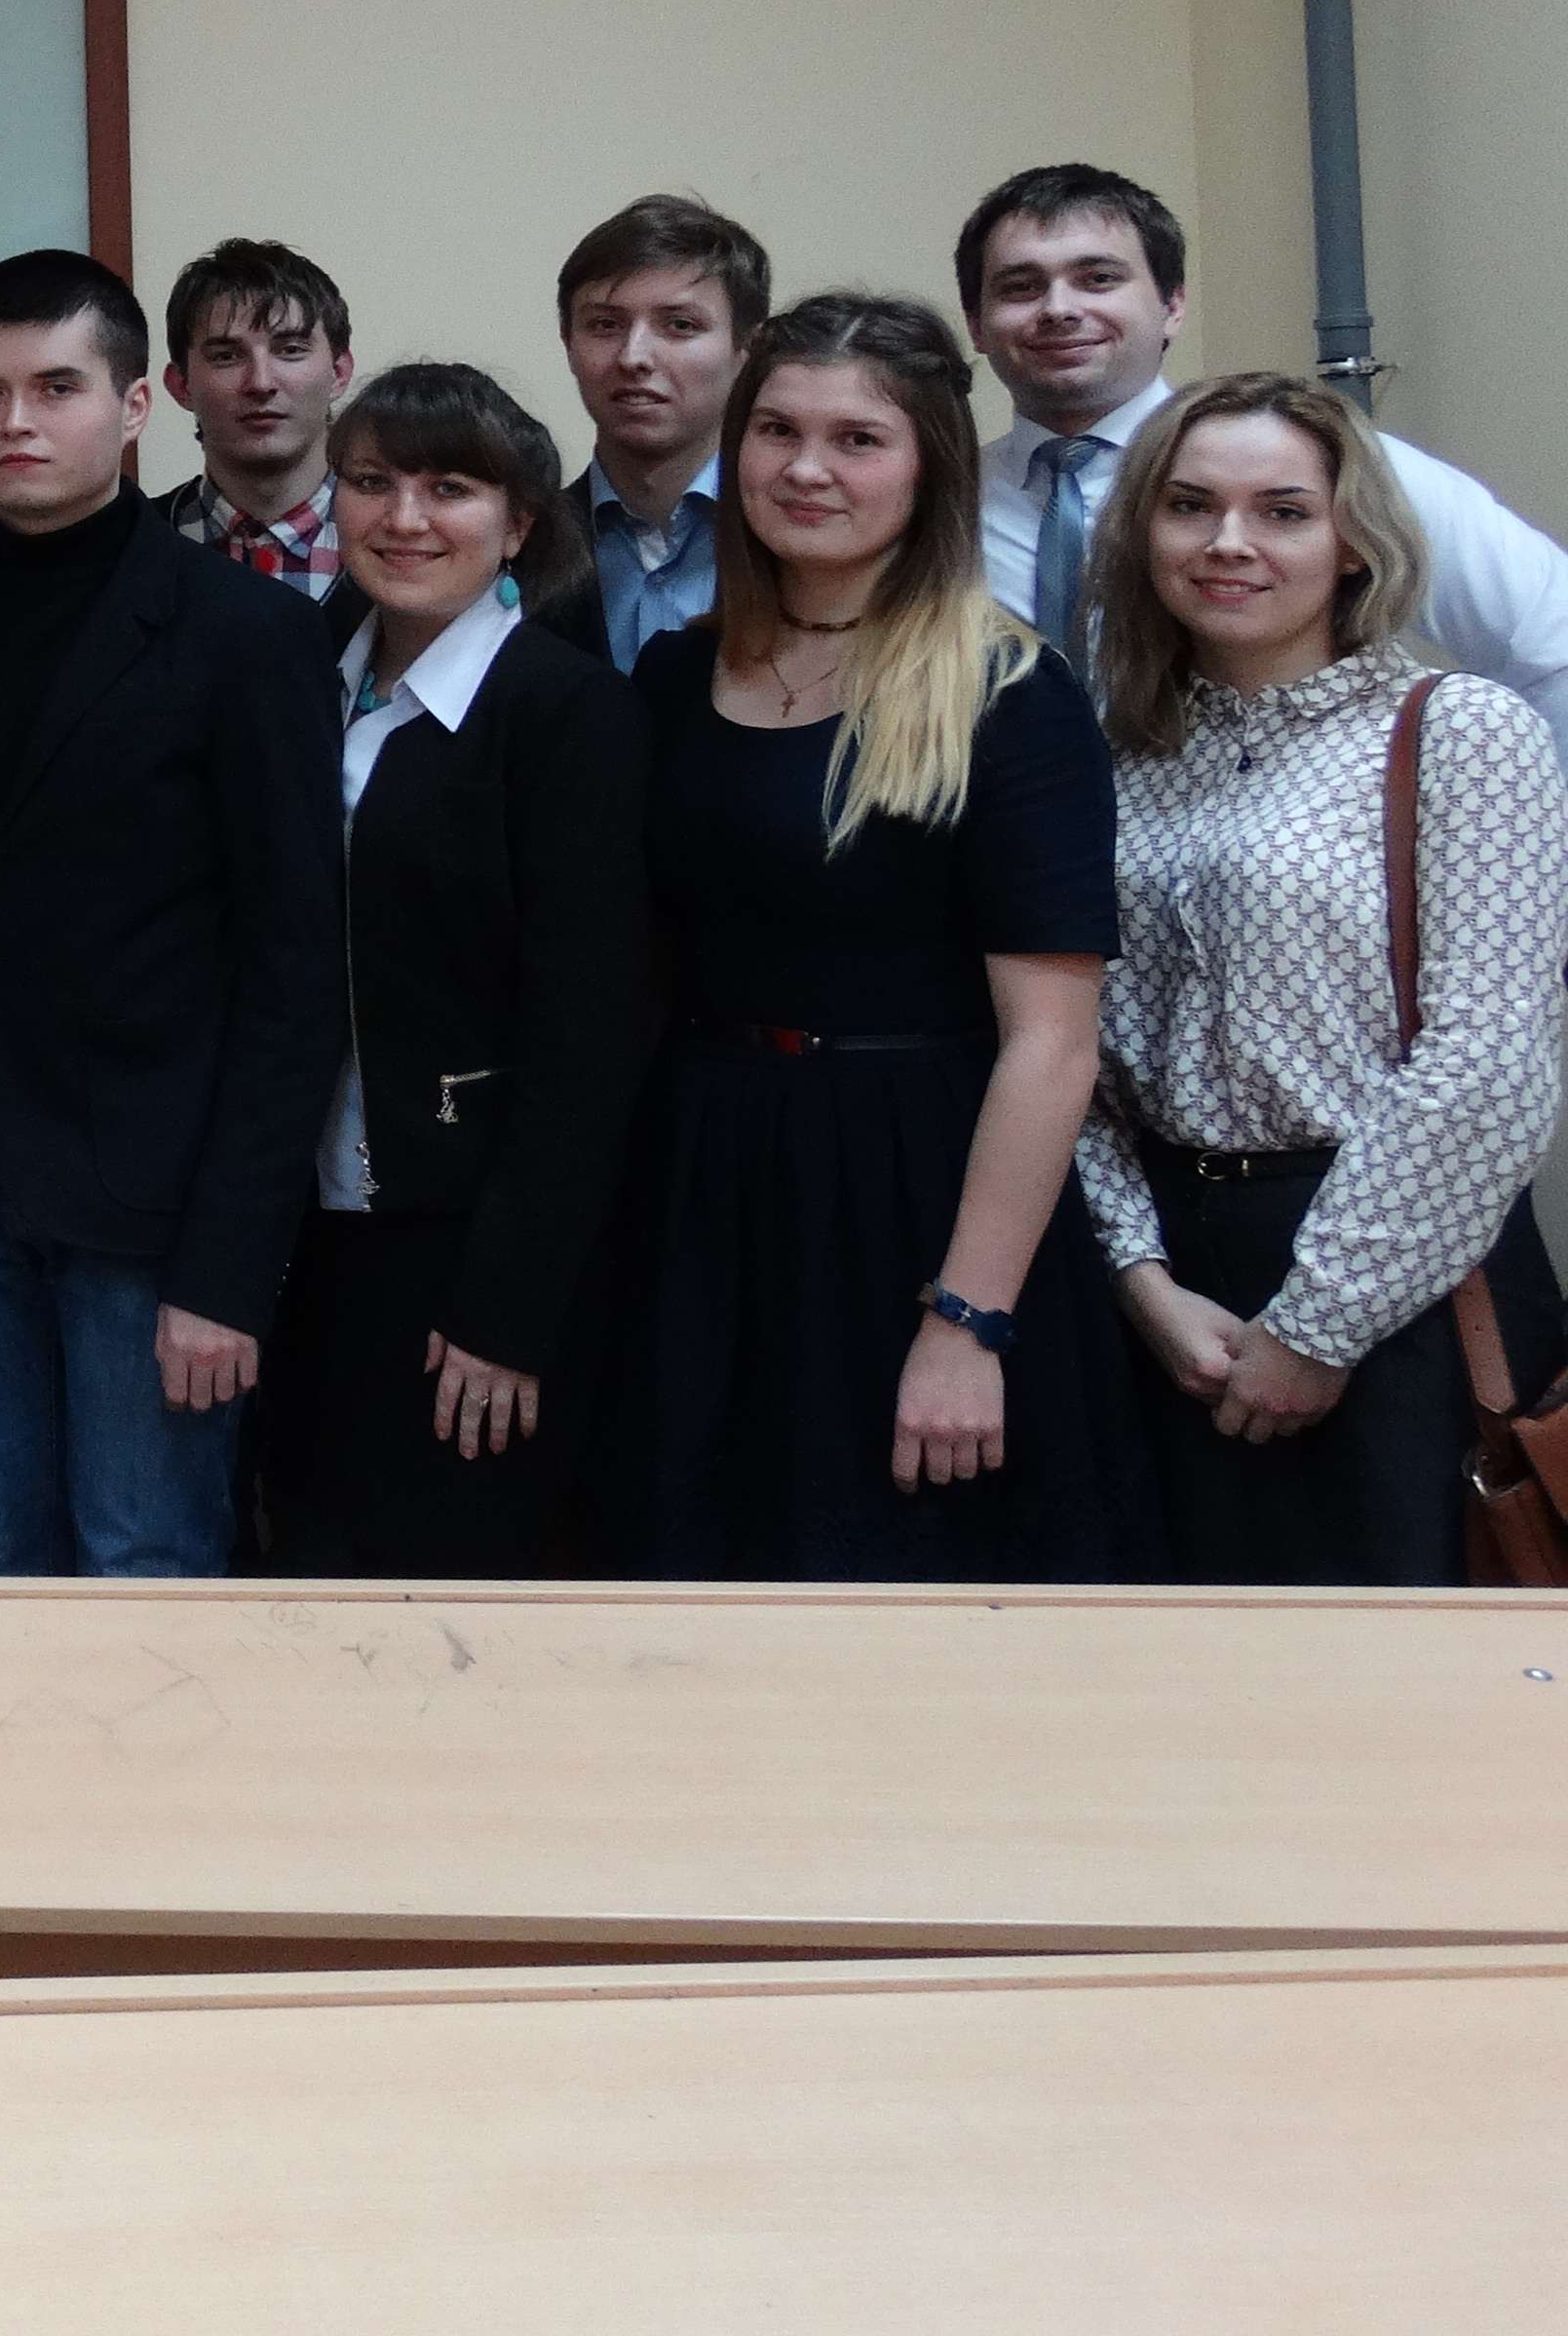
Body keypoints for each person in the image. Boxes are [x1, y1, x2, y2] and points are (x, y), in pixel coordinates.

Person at [0, 250, 339, 1578]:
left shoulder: (250, 634)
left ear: (135, 404)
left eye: (56, 387)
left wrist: (229, 1269)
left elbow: (292, 974)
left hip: (154, 1209)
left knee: (143, 1563)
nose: (17, 422)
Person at [627, 293, 1154, 1581]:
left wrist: (969, 1321)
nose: (807, 469)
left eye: (857, 440)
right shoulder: (673, 681)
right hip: (706, 1190)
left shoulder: (1008, 693)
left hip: (915, 1200)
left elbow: (1052, 1048)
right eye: (778, 431)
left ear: (929, 468)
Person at [1077, 377, 1568, 1584]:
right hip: (1174, 1297)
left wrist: (1317, 1327)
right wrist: (1140, 1280)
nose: (1229, 541)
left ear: (1353, 541)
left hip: (1400, 1274)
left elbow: (1489, 1063)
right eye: (1190, 506)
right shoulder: (1113, 754)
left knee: (1413, 1672)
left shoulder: (1459, 731)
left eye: (1283, 511)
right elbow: (1069, 1053)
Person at [255, 366, 656, 1576]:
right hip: (297, 1233)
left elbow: (589, 1038)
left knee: (461, 1596)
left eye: (450, 489)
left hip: (471, 1249)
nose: (404, 518)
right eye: (372, 482)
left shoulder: (570, 714)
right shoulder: (291, 683)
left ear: (520, 523)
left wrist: (508, 1311)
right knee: (302, 1584)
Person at [961, 163, 1568, 738]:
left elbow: (1552, 645)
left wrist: (1516, 797)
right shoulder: (942, 504)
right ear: (977, 326)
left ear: (1172, 306)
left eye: (1099, 279)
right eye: (1021, 287)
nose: (1060, 309)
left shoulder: (1339, 468)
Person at [548, 193, 769, 670]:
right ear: (568, 343)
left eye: (680, 325)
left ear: (747, 349)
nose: (634, 357)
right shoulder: (521, 550)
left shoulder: (798, 541)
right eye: (605, 325)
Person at [152, 239, 353, 592]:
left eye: (291, 350)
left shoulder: (401, 541)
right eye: (226, 356)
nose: (261, 383)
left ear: (339, 373)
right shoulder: (129, 546)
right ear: (181, 385)